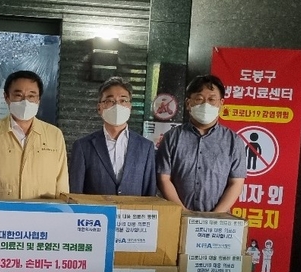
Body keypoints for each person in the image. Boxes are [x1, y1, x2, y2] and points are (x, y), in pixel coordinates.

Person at [0, 70, 69, 199]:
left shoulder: (54, 135)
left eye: (31, 96)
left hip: (44, 209)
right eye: (18, 95)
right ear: (7, 97)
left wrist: (62, 209)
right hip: (0, 209)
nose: (25, 101)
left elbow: (62, 182)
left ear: (38, 100)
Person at [156, 74, 246, 212]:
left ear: (221, 103)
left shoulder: (234, 141)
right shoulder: (172, 137)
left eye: (212, 99)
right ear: (188, 103)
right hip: (177, 216)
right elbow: (163, 178)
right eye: (199, 99)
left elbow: (236, 183)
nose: (205, 105)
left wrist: (215, 216)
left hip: (218, 219)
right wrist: (183, 212)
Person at [69, 76, 155, 196]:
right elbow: (75, 193)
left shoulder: (145, 147)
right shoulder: (83, 146)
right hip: (97, 209)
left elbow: (150, 194)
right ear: (99, 108)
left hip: (132, 208)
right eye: (110, 101)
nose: (117, 106)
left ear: (130, 107)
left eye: (123, 100)